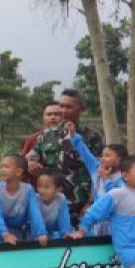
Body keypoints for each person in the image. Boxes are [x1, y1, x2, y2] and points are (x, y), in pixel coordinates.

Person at [27, 89, 105, 221]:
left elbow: (100, 174)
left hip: (83, 208)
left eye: (69, 107)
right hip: (53, 207)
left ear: (81, 109)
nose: (63, 110)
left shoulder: (93, 137)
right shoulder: (46, 135)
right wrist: (30, 164)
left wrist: (90, 204)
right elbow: (29, 158)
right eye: (61, 106)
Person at [0, 155, 48, 245]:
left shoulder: (28, 190)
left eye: (6, 167)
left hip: (18, 229)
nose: (2, 170)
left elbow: (35, 213)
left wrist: (41, 233)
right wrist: (5, 234)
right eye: (1, 167)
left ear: (18, 171)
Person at [69, 125, 127, 204]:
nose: (103, 158)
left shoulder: (125, 178)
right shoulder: (97, 168)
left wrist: (106, 178)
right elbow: (85, 153)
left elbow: (115, 199)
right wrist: (73, 134)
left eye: (107, 156)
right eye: (102, 155)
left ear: (119, 159)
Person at [34, 172, 72, 240]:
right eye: (39, 186)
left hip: (52, 234)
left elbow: (64, 222)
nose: (42, 191)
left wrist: (65, 234)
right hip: (36, 235)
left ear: (58, 189)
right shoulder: (34, 199)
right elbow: (34, 223)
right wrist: (41, 234)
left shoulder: (61, 199)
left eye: (47, 187)